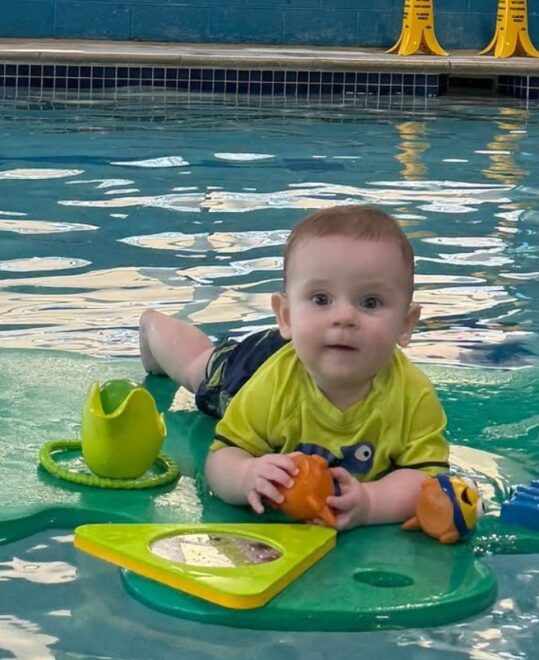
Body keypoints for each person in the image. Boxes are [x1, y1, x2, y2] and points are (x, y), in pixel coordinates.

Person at [139, 205, 450, 530]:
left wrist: (371, 502)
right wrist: (246, 474)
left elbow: (427, 478)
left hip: (305, 350)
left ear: (406, 324)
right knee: (198, 369)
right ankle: (152, 327)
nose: (343, 317)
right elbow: (220, 460)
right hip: (252, 369)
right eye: (320, 299)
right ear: (286, 316)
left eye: (369, 302)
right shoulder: (270, 386)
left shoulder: (413, 396)